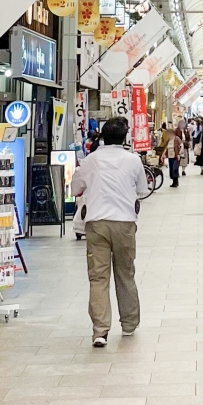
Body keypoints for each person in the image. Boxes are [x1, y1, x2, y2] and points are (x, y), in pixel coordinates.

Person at [69, 115, 149, 347]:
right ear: (125, 136)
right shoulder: (133, 160)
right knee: (125, 273)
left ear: (103, 136)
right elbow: (142, 190)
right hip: (124, 223)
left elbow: (75, 189)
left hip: (97, 223)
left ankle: (100, 331)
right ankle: (129, 323)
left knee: (98, 277)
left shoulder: (90, 160)